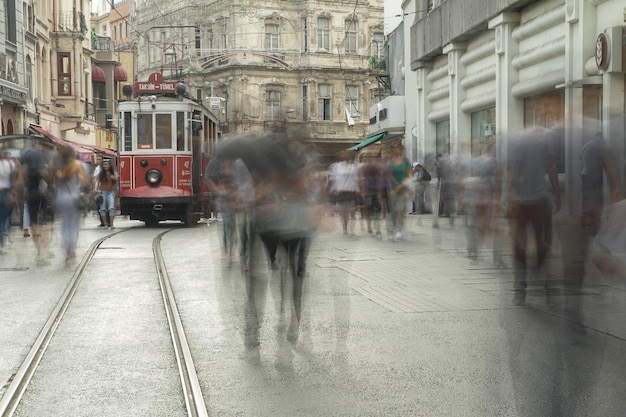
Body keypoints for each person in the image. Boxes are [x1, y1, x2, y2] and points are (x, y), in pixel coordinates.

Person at [507, 126, 561, 306]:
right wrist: (557, 194)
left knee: (520, 246)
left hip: (525, 202)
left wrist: (511, 195)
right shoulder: (546, 137)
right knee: (542, 243)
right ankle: (545, 288)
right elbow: (551, 167)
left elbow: (513, 170)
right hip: (539, 200)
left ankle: (520, 289)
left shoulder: (519, 139)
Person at [15, 142, 58, 266]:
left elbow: (21, 175)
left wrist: (15, 191)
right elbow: (54, 175)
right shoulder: (49, 156)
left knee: (34, 222)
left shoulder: (26, 156)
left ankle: (39, 253)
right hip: (47, 194)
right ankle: (44, 251)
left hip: (31, 192)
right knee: (48, 223)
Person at [55, 146, 90, 267]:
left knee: (64, 226)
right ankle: (72, 251)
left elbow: (54, 183)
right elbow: (85, 182)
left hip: (61, 198)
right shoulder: (79, 166)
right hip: (74, 198)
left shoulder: (59, 167)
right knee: (74, 226)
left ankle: (67, 253)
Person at [328, 150, 360, 235]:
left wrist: (358, 190)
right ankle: (344, 227)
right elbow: (333, 179)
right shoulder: (336, 166)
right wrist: (333, 189)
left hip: (351, 190)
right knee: (343, 210)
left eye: (346, 154)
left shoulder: (353, 167)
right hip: (341, 190)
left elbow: (356, 179)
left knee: (351, 210)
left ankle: (351, 227)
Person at [387, 141, 413, 241]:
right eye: (393, 147)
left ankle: (401, 229)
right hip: (393, 188)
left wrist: (402, 185)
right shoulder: (390, 161)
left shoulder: (405, 161)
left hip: (404, 188)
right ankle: (396, 229)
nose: (395, 149)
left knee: (400, 209)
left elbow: (409, 174)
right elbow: (389, 175)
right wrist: (395, 186)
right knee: (394, 210)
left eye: (397, 147)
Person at [0, 150, 18, 254]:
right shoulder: (11, 164)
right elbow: (16, 177)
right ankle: (1, 243)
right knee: (3, 219)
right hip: (6, 193)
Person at [96, 159, 117, 229]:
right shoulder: (100, 174)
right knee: (102, 209)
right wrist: (97, 193)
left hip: (110, 192)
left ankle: (111, 224)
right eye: (104, 164)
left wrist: (110, 176)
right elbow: (97, 183)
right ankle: (105, 224)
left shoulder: (112, 173)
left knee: (111, 208)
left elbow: (115, 180)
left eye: (107, 164)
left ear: (110, 165)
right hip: (102, 192)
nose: (106, 166)